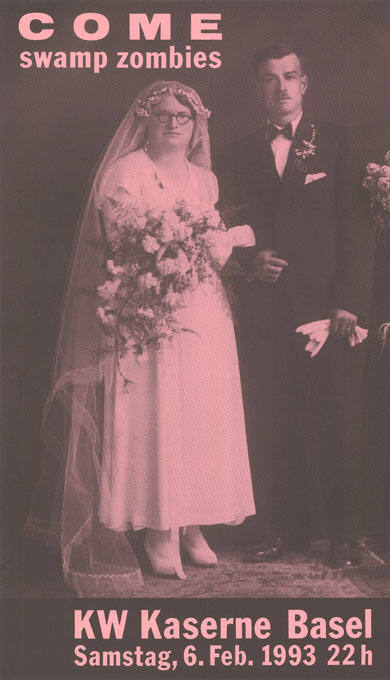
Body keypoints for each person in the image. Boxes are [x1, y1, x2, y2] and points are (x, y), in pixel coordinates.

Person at [27, 81, 255, 596]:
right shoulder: (125, 172)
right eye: (163, 114)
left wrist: (218, 243)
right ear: (145, 121)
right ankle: (158, 528)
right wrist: (209, 241)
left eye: (184, 116)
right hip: (148, 310)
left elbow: (209, 249)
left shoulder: (206, 179)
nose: (174, 123)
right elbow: (126, 243)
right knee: (158, 413)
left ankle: (192, 522)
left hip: (204, 310)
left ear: (197, 126)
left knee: (200, 412)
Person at [218, 45, 374, 567]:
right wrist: (250, 260)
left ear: (304, 83)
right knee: (274, 421)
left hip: (329, 311)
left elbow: (357, 228)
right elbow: (226, 227)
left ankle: (346, 536)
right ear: (258, 89)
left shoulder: (337, 142)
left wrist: (349, 301)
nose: (280, 87)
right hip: (267, 308)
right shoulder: (238, 153)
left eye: (289, 76)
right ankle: (284, 530)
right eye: (269, 79)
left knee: (337, 420)